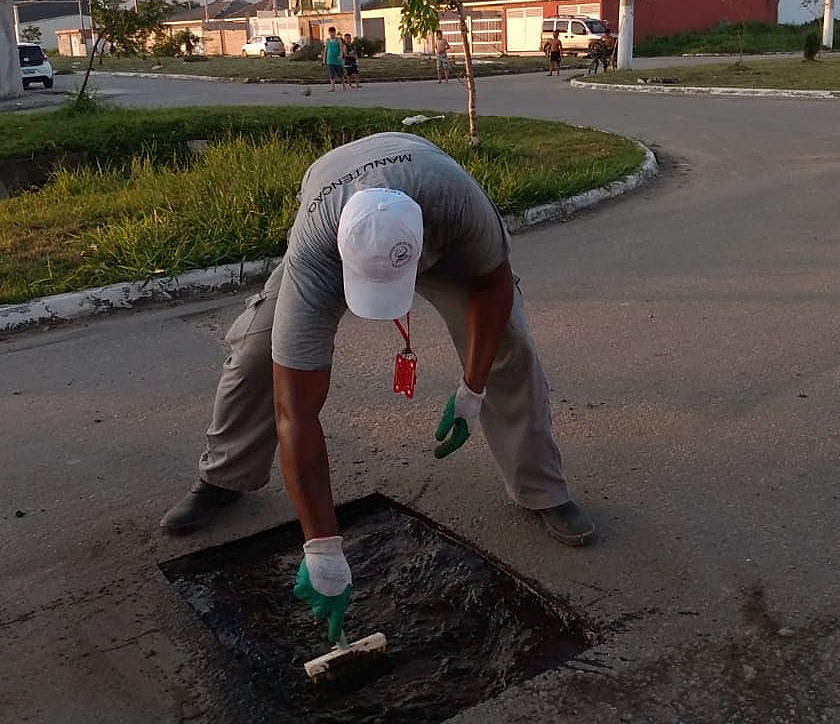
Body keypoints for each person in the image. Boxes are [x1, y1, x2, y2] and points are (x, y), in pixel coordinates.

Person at [160, 132, 598, 643]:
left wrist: (472, 390)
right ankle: (224, 476)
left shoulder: (458, 204)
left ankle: (541, 489)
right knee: (259, 353)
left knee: (511, 344)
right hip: (333, 205)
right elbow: (295, 413)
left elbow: (492, 285)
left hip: (430, 203)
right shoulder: (317, 250)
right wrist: (322, 550)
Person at [323, 26, 345, 91]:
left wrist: (341, 55)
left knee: (340, 74)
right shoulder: (327, 40)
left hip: (337, 59)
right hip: (330, 59)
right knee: (332, 74)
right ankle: (332, 87)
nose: (332, 34)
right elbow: (325, 50)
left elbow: (341, 49)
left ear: (335, 32)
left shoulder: (338, 40)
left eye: (333, 32)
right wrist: (324, 59)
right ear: (329, 33)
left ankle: (344, 86)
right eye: (330, 32)